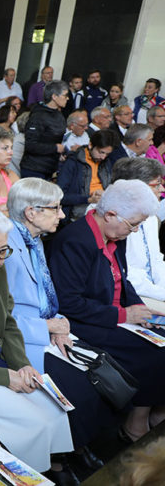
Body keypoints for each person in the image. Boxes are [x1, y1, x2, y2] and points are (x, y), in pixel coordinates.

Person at [4, 178, 119, 466]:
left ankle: (79, 447)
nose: (62, 214)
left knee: (99, 372)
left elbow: (45, 294)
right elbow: (1, 315)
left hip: (46, 327)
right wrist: (47, 327)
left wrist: (57, 322)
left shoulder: (33, 239)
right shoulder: (5, 248)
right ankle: (62, 458)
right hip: (21, 340)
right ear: (31, 212)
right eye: (55, 208)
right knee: (78, 387)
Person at [0, 207, 75, 481]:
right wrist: (5, 377)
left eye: (3, 252)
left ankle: (55, 466)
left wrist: (22, 364)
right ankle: (31, 475)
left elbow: (9, 324)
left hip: (2, 362)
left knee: (55, 409)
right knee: (34, 423)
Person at [49, 179, 165, 442]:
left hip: (111, 314)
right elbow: (69, 302)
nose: (135, 231)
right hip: (86, 322)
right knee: (155, 354)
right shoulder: (76, 241)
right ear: (111, 214)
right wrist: (124, 315)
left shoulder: (116, 234)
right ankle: (135, 423)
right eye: (133, 224)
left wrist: (137, 305)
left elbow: (122, 278)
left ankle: (155, 413)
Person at [110, 158, 165, 314]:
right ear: (138, 187)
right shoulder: (116, 219)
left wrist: (162, 289)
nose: (162, 189)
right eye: (157, 184)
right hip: (131, 294)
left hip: (153, 291)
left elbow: (156, 260)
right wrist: (160, 293)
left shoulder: (152, 218)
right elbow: (125, 273)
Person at [57, 129, 115, 221]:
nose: (103, 157)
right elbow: (60, 196)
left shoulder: (106, 162)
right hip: (80, 209)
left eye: (107, 154)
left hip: (102, 205)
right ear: (90, 145)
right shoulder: (73, 162)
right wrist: (89, 199)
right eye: (101, 152)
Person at [21, 80, 69, 180]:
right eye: (65, 95)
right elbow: (30, 145)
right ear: (54, 96)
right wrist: (55, 148)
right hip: (33, 168)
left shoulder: (59, 115)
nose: (67, 98)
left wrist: (58, 154)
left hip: (50, 167)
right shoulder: (38, 116)